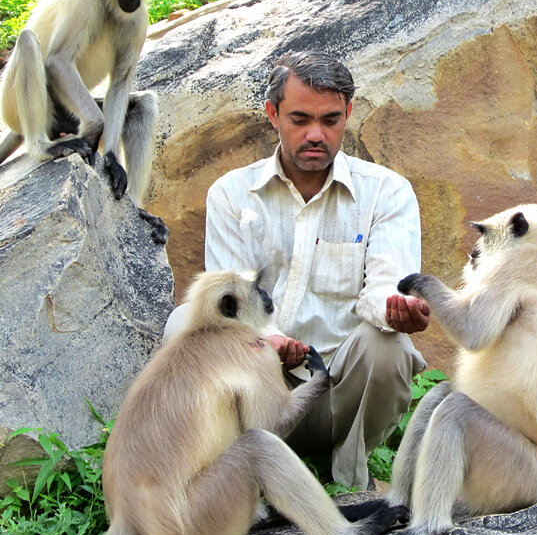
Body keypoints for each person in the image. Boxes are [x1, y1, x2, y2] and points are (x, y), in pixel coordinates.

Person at [164, 51, 431, 489]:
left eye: (330, 120)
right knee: (186, 326)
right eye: (300, 118)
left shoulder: (386, 193)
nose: (316, 134)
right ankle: (232, 469)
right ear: (272, 114)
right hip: (260, 396)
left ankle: (348, 472)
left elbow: (387, 286)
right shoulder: (233, 195)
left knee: (389, 345)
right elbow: (229, 306)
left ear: (348, 113)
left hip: (341, 399)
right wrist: (270, 343)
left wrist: (397, 309)